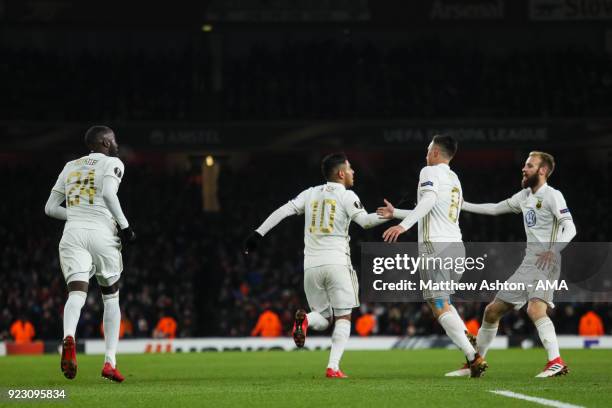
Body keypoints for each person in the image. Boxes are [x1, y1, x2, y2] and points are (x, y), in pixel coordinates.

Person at [244, 153, 391, 378]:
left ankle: (305, 321)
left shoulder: (310, 193)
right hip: (338, 264)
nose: (354, 172)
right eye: (350, 168)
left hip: (311, 267)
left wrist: (257, 234)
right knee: (343, 317)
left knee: (322, 319)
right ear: (341, 173)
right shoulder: (346, 195)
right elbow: (365, 222)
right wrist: (391, 215)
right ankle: (333, 367)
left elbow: (283, 211)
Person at [459, 151, 576, 377]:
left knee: (535, 309)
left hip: (546, 261)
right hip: (528, 263)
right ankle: (476, 363)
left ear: (542, 171)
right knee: (492, 311)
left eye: (529, 166)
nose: (524, 169)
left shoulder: (553, 195)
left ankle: (556, 361)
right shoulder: (524, 196)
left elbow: (570, 228)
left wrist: (554, 249)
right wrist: (463, 205)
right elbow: (494, 208)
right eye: (525, 165)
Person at [377, 134, 487, 378]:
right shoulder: (454, 178)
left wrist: (403, 226)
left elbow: (428, 200)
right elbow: (432, 208)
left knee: (438, 304)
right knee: (442, 302)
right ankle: (466, 339)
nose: (426, 154)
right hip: (456, 249)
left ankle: (473, 355)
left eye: (428, 150)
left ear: (436, 153)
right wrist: (396, 213)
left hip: (434, 249)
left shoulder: (429, 172)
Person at [44, 126, 136, 382]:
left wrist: (75, 215)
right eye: (114, 140)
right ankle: (109, 362)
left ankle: (69, 337)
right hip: (102, 232)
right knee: (111, 297)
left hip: (72, 234)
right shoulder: (112, 162)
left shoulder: (69, 166)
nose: (116, 144)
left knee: (76, 293)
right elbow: (108, 193)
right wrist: (125, 226)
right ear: (105, 142)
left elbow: (50, 208)